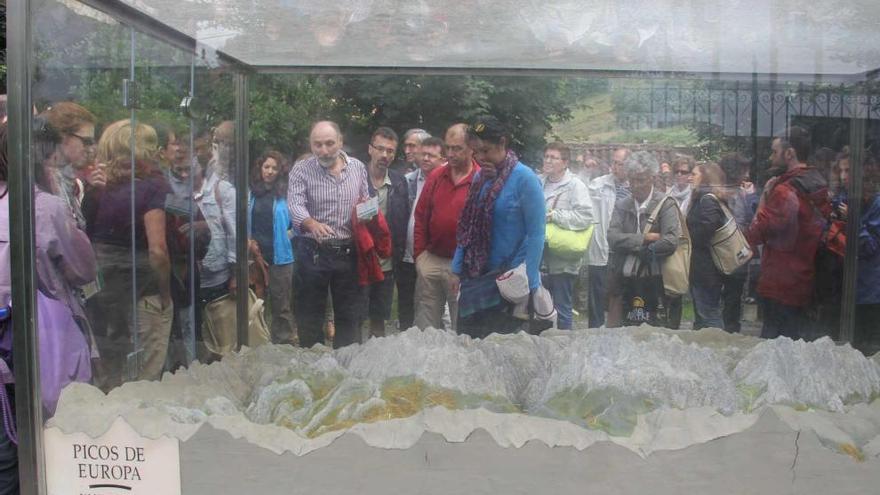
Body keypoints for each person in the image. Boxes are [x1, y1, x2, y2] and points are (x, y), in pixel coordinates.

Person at [83, 120, 173, 388]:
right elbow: (158, 250)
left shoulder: (97, 190)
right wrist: (166, 293)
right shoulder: (153, 188)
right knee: (144, 380)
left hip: (104, 296)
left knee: (111, 377)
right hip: (143, 293)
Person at [451, 117, 545, 338]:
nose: (481, 158)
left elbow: (537, 234)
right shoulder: (480, 179)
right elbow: (467, 226)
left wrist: (530, 285)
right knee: (470, 347)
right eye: (477, 152)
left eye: (486, 151)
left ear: (502, 143)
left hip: (508, 284)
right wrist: (456, 268)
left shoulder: (525, 179)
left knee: (504, 351)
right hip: (475, 279)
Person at [288, 121, 369, 348]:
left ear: (340, 142)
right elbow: (295, 204)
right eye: (318, 145)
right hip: (312, 252)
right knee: (310, 318)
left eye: (329, 143)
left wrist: (367, 212)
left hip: (347, 251)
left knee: (349, 319)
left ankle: (346, 370)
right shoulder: (301, 170)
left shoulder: (358, 168)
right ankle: (312, 370)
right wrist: (310, 222)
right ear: (311, 145)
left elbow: (365, 199)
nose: (324, 150)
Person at [747, 127, 828, 340]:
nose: (770, 157)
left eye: (774, 151)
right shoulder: (818, 184)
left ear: (789, 153)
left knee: (774, 351)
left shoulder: (784, 191)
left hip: (780, 284)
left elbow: (756, 233)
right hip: (805, 279)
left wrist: (765, 196)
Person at [606, 151, 683, 328]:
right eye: (631, 180)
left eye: (640, 180)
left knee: (659, 331)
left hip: (657, 280)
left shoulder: (666, 203)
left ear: (652, 178)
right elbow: (612, 238)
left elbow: (671, 240)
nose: (635, 185)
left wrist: (646, 250)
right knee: (620, 332)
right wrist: (644, 239)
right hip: (623, 280)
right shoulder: (622, 204)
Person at [413, 125, 478, 331]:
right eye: (448, 148)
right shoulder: (437, 176)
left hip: (462, 267)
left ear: (471, 148)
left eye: (457, 148)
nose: (450, 154)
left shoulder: (480, 179)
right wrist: (420, 256)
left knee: (462, 325)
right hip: (431, 260)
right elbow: (421, 215)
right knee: (426, 324)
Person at [540, 142, 594, 330]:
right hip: (540, 255)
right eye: (546, 156)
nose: (548, 160)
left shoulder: (575, 186)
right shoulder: (539, 181)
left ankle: (564, 346)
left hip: (563, 257)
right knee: (540, 305)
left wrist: (555, 216)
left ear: (565, 162)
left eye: (553, 157)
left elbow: (586, 217)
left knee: (562, 305)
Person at [364, 127, 409, 338]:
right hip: (358, 260)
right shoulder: (354, 179)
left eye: (390, 151)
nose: (385, 155)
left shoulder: (400, 183)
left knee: (379, 317)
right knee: (353, 317)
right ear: (370, 149)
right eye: (380, 149)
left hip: (386, 262)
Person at [249, 151, 296, 345]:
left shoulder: (287, 194)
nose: (269, 171)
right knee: (256, 303)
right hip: (255, 255)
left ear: (280, 171)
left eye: (274, 168)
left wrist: (288, 236)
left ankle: (284, 344)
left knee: (281, 306)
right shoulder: (251, 193)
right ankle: (258, 342)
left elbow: (298, 224)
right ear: (260, 168)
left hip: (280, 257)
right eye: (266, 167)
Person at [400, 136, 445, 330]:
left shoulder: (446, 182)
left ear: (442, 158)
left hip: (433, 256)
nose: (426, 158)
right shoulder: (407, 181)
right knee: (406, 305)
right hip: (407, 255)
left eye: (431, 155)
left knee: (433, 307)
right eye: (423, 154)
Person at [41, 102, 105, 229]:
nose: (91, 149)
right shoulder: (45, 180)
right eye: (86, 141)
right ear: (63, 137)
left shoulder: (64, 178)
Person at [585, 147, 630, 327]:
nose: (615, 167)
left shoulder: (636, 187)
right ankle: (594, 331)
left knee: (619, 293)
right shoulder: (598, 184)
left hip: (624, 248)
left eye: (620, 163)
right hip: (601, 245)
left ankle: (618, 329)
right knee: (596, 294)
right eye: (614, 162)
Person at [718, 153, 758, 332]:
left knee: (733, 301)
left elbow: (751, 221)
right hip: (724, 254)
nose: (747, 176)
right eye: (744, 171)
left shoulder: (741, 194)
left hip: (737, 257)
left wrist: (749, 197)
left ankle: (730, 329)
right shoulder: (722, 194)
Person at [686, 162, 727, 330]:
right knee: (704, 313)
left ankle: (717, 348)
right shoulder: (702, 198)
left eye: (694, 174)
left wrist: (687, 238)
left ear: (705, 178)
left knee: (708, 314)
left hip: (706, 267)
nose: (690, 177)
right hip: (702, 267)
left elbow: (708, 228)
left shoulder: (707, 200)